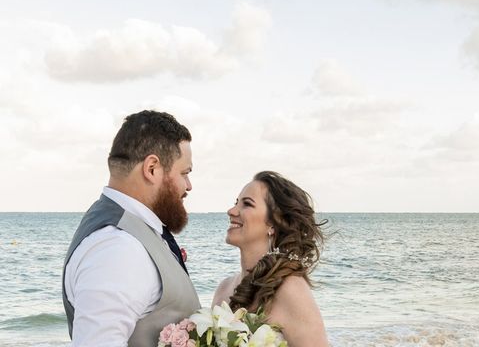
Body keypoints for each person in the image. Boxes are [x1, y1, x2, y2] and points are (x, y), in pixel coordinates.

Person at [62, 110, 201, 346]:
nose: (188, 185)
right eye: (184, 173)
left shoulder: (131, 233)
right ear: (152, 169)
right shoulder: (118, 247)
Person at [212, 171, 329, 347]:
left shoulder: (290, 290)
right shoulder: (224, 288)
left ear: (274, 222)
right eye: (236, 203)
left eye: (247, 204)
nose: (231, 211)